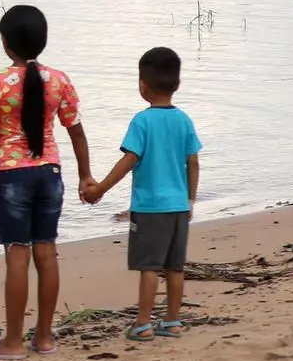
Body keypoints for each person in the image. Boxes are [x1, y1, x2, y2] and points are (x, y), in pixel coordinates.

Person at [0, 3, 92, 361]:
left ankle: (12, 342)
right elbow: (77, 131)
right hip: (50, 174)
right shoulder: (58, 80)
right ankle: (43, 338)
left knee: (17, 256)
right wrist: (86, 174)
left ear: (6, 43)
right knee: (47, 251)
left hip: (12, 175)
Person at [80, 47, 202, 343]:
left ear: (142, 85)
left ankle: (143, 323)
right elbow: (193, 162)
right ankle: (172, 320)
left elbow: (129, 159)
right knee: (175, 267)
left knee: (149, 267)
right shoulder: (184, 120)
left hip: (150, 208)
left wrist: (100, 189)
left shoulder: (142, 121)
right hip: (178, 207)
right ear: (177, 83)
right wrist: (190, 200)